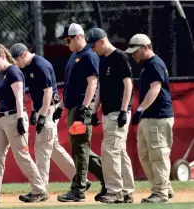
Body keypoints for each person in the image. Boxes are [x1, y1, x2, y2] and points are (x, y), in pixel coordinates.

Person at [9, 43, 92, 195]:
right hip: (43, 108)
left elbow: (48, 93)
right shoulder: (29, 66)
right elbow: (36, 92)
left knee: (41, 148)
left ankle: (40, 189)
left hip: (48, 108)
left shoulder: (40, 65)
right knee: (52, 147)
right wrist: (35, 110)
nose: (16, 64)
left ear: (23, 54)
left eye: (16, 60)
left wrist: (42, 115)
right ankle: (80, 179)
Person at [0, 43, 48, 204]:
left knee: (22, 155)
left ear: (2, 55)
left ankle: (39, 190)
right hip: (0, 119)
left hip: (14, 117)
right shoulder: (2, 73)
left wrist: (21, 119)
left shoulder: (14, 72)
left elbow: (19, 98)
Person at [54, 23, 105, 202]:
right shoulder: (74, 56)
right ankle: (109, 180)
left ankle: (78, 190)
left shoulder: (89, 56)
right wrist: (60, 107)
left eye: (68, 40)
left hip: (82, 107)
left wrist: (85, 108)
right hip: (73, 107)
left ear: (77, 37)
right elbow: (70, 86)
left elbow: (93, 83)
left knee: (81, 149)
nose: (66, 44)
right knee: (81, 149)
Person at [86, 28, 135, 204]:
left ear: (102, 41)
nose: (92, 49)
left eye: (93, 45)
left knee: (109, 150)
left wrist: (124, 110)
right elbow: (100, 88)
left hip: (118, 113)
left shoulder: (120, 56)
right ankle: (127, 191)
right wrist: (94, 111)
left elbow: (128, 84)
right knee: (119, 152)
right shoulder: (102, 60)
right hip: (108, 113)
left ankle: (115, 191)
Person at [125, 34, 174, 203]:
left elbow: (156, 89)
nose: (133, 55)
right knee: (144, 154)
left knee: (158, 154)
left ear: (146, 47)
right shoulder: (147, 65)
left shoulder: (155, 64)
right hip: (149, 116)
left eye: (136, 51)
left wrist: (140, 109)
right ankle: (164, 187)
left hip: (158, 116)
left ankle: (160, 193)